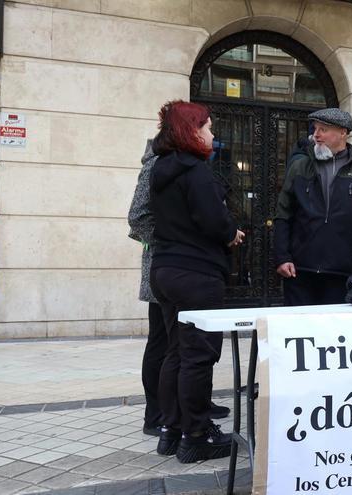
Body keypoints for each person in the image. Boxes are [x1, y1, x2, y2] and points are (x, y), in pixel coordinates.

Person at [149, 100, 245, 463]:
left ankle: (171, 432)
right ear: (191, 130)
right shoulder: (197, 171)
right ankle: (197, 437)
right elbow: (213, 221)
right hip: (196, 273)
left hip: (165, 269)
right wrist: (231, 233)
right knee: (198, 357)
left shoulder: (160, 170)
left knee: (175, 352)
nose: (212, 133)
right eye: (207, 127)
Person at [128, 140, 230, 439]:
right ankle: (158, 415)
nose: (211, 137)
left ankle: (184, 413)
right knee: (166, 342)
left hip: (179, 264)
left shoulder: (189, 164)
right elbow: (138, 217)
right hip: (172, 265)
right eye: (205, 128)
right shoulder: (156, 165)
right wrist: (172, 240)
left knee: (184, 347)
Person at [274, 108, 352, 305]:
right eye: (315, 129)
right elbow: (283, 215)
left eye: (323, 129)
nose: (316, 134)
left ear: (343, 132)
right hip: (300, 272)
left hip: (343, 274)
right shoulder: (300, 167)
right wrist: (282, 256)